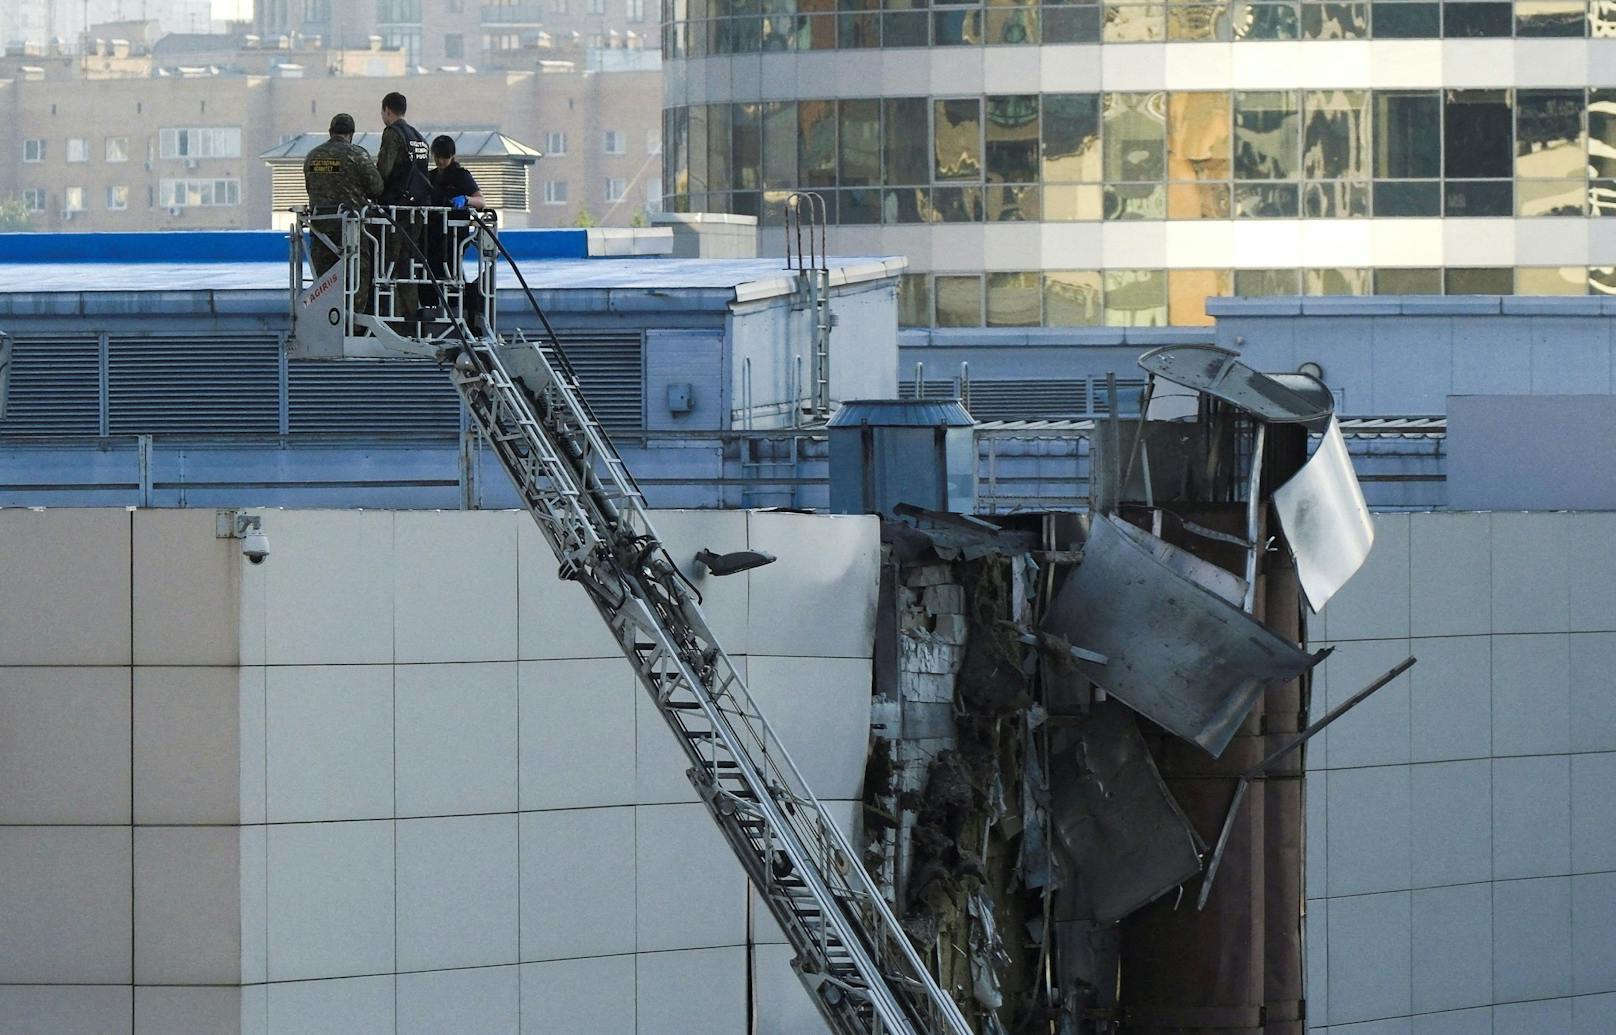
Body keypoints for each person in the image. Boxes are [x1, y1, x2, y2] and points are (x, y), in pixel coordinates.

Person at [302, 112, 383, 313]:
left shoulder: (312, 156)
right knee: (358, 275)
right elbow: (377, 188)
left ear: (330, 132)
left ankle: (328, 316)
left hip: (320, 227)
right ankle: (353, 321)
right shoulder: (357, 154)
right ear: (351, 134)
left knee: (325, 279)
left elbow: (310, 188)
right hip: (351, 229)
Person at [375, 91, 432, 323]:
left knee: (389, 263)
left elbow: (384, 171)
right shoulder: (420, 138)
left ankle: (393, 316)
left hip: (396, 209)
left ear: (387, 110)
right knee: (408, 264)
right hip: (418, 210)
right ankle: (410, 313)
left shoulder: (392, 134)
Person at [425, 134, 489, 332]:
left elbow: (481, 201)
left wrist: (465, 199)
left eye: (445, 157)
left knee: (453, 274)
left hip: (454, 236)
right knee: (434, 273)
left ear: (452, 156)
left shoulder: (461, 176)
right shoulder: (432, 177)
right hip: (434, 235)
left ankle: (466, 314)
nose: (441, 161)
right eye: (438, 157)